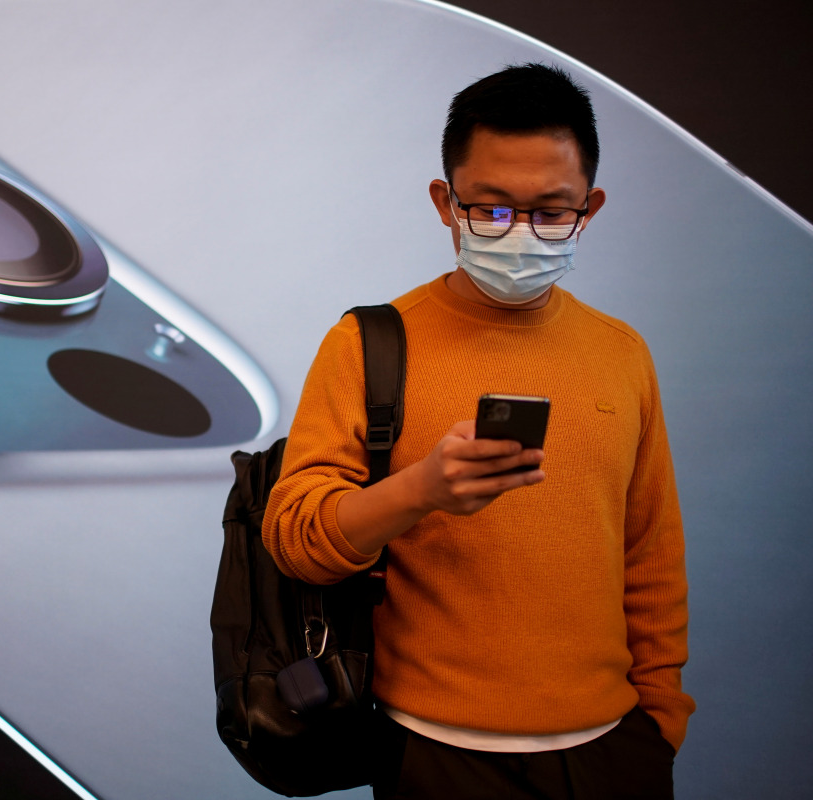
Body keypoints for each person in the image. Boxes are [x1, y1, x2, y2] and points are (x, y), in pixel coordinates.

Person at [262, 63, 693, 800]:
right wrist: (420, 489)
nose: (520, 234)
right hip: (433, 754)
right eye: (490, 209)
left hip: (613, 752)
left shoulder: (623, 352)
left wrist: (658, 724)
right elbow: (294, 538)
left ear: (590, 207)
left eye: (551, 212)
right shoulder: (368, 343)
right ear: (444, 202)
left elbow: (649, 553)